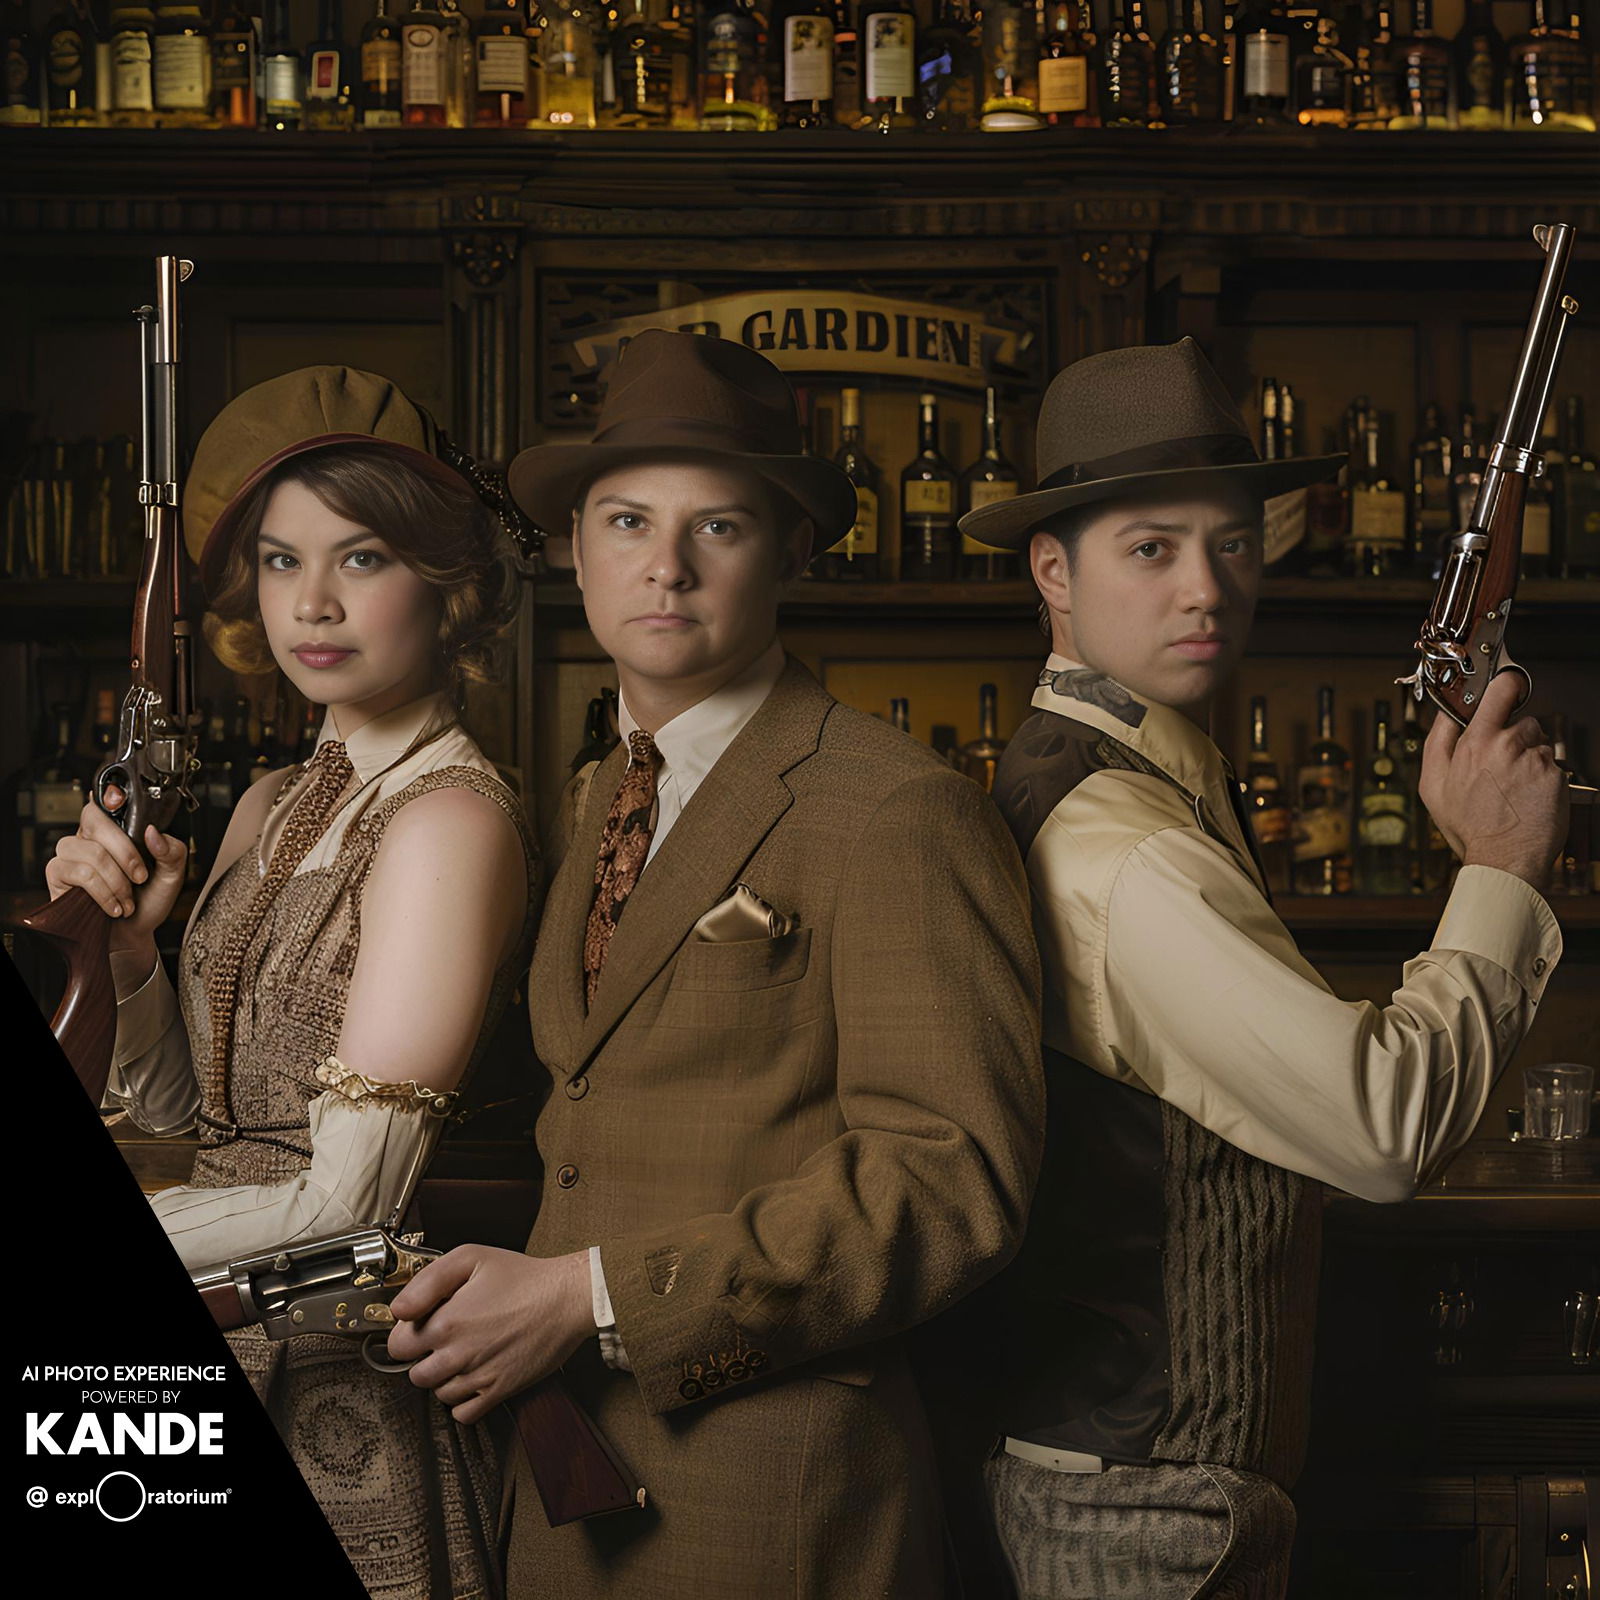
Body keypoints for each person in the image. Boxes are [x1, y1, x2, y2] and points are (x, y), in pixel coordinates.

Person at [387, 328, 1046, 1597]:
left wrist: (587, 1296)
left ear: (793, 550)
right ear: (575, 550)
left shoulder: (895, 806)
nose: (666, 568)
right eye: (627, 522)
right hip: (572, 1484)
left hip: (779, 1500)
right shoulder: (598, 797)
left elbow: (951, 1179)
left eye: (720, 528)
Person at [955, 337, 1568, 1600]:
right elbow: (1379, 1126)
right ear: (1052, 571)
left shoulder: (1145, 780)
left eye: (1231, 542)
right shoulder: (1121, 846)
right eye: (1151, 547)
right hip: (1139, 1512)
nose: (1205, 588)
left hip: (1151, 1492)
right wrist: (1500, 863)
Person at [44, 366, 538, 1599]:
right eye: (278, 560)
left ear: (448, 580)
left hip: (338, 1384)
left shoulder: (448, 821)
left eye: (360, 557)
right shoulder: (275, 799)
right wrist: (126, 958)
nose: (310, 601)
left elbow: (352, 1197)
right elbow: (185, 1113)